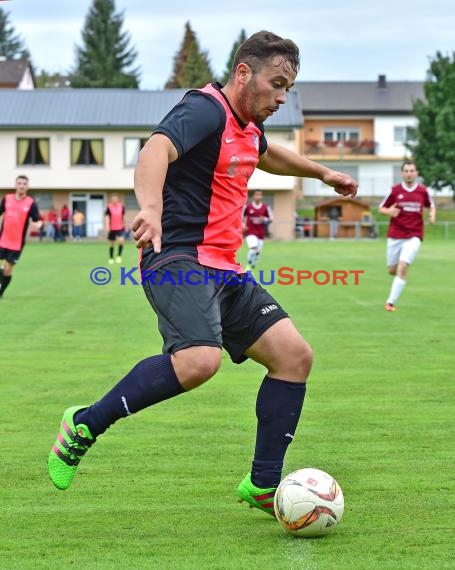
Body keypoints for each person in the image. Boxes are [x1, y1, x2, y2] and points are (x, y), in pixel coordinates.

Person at [48, 31, 357, 515]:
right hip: (176, 257)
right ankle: (84, 424)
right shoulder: (205, 110)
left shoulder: (246, 126)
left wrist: (322, 173)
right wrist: (150, 208)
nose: (281, 97)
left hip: (224, 267)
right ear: (243, 73)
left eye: (287, 90)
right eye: (276, 84)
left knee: (294, 356)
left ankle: (261, 485)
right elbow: (155, 150)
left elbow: (264, 153)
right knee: (198, 362)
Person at [379, 160, 435, 312]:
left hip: (414, 235)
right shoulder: (395, 190)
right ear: (402, 173)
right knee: (392, 270)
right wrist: (389, 211)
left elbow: (431, 205)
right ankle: (398, 273)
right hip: (395, 235)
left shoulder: (423, 191)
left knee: (403, 267)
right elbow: (381, 208)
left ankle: (390, 302)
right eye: (406, 171)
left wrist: (432, 215)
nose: (409, 173)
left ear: (416, 173)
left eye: (412, 171)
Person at [0, 175, 42, 298]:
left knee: (8, 270)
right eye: (19, 183)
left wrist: (38, 224)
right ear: (15, 185)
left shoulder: (31, 203)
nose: (22, 186)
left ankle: (1, 292)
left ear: (27, 187)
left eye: (24, 184)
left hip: (17, 243)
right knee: (3, 269)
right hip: (2, 239)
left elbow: (37, 219)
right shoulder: (7, 198)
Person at [243, 190, 272, 270]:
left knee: (257, 253)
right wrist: (243, 225)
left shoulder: (265, 207)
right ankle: (249, 260)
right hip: (250, 232)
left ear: (261, 197)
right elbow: (241, 216)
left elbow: (270, 219)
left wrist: (265, 219)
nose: (258, 197)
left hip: (260, 233)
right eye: (257, 195)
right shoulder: (248, 207)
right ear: (253, 196)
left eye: (260, 195)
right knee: (253, 248)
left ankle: (251, 265)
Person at [105, 194, 126, 264]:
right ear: (111, 200)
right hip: (112, 228)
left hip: (120, 227)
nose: (114, 200)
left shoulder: (121, 207)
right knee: (112, 244)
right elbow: (107, 217)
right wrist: (107, 226)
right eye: (113, 199)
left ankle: (119, 256)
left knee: (121, 241)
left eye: (115, 198)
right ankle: (111, 258)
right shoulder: (109, 207)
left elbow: (124, 216)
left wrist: (125, 225)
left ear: (117, 199)